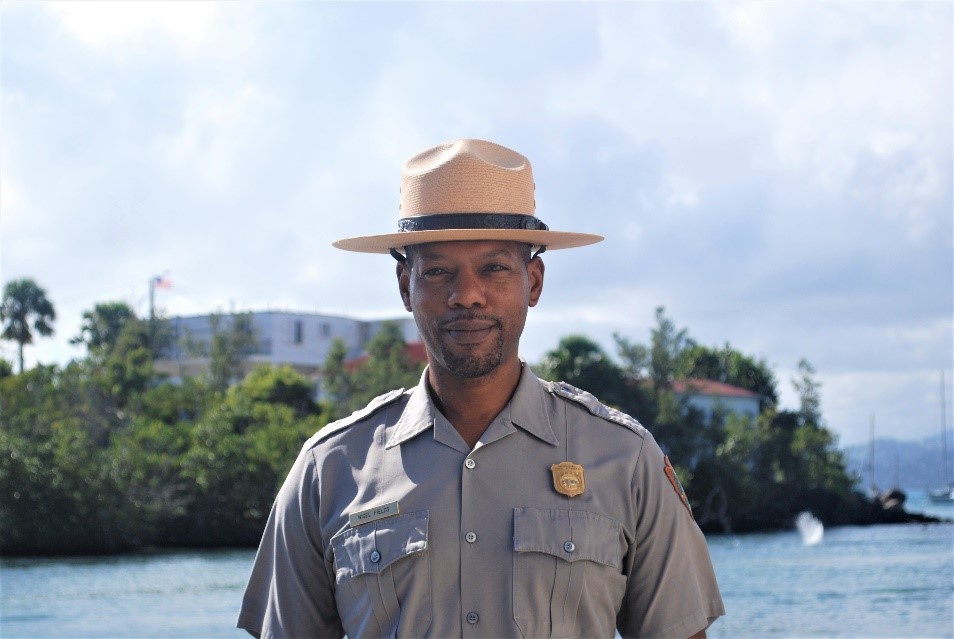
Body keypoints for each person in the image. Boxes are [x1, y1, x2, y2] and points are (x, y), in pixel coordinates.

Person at [238, 139, 725, 638]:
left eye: (493, 268)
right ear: (406, 286)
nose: (466, 295)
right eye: (438, 271)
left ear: (533, 280)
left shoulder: (625, 459)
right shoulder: (329, 469)